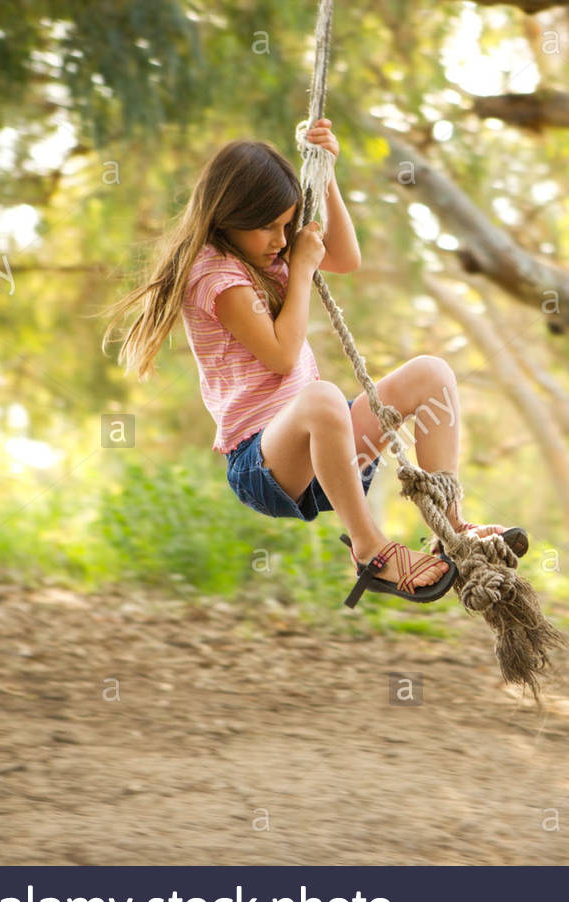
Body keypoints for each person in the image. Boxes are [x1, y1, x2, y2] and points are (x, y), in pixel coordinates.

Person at [104, 119, 526, 606]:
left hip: (329, 452)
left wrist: (326, 177)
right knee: (322, 398)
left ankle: (450, 528)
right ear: (228, 215)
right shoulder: (214, 274)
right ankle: (370, 549)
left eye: (286, 225)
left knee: (433, 374)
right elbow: (282, 357)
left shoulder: (265, 252)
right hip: (263, 462)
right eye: (268, 226)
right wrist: (301, 265)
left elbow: (345, 258)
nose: (281, 239)